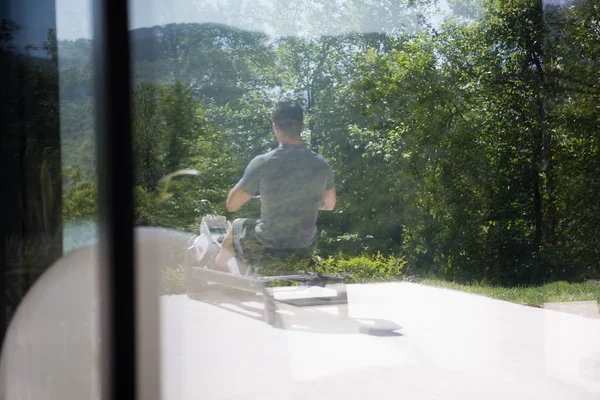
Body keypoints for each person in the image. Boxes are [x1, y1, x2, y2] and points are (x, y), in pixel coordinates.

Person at [215, 100, 336, 270]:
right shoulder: (322, 165)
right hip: (304, 245)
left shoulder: (263, 162)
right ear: (302, 127)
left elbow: (232, 205)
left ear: (276, 128)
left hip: (268, 243)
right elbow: (330, 205)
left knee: (237, 225)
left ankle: (216, 268)